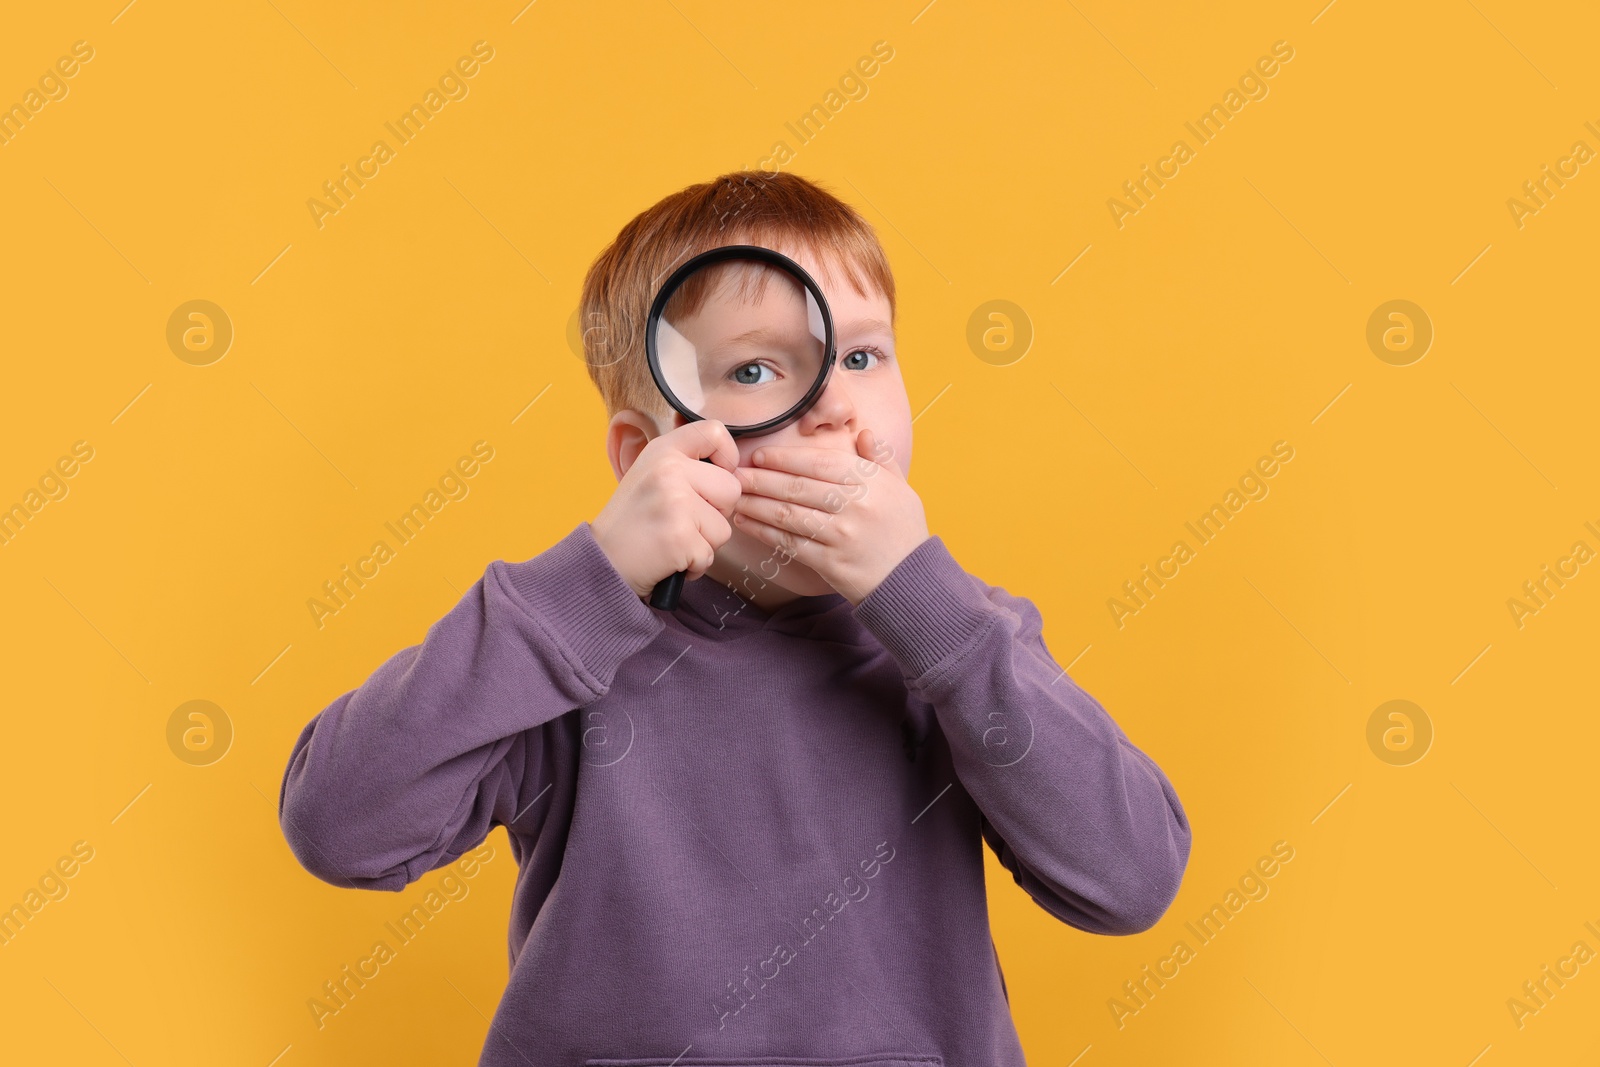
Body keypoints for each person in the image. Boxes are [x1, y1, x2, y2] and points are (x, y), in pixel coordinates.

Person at [278, 170, 1192, 1066]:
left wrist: (934, 614)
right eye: (758, 369)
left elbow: (1131, 879)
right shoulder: (568, 651)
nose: (837, 408)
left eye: (864, 356)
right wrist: (587, 581)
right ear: (650, 456)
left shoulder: (959, 640)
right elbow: (341, 825)